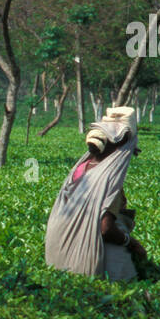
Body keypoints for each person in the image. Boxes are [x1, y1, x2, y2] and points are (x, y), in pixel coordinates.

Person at [45, 106, 146, 281]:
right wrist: (132, 243)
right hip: (83, 263)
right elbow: (106, 229)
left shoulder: (83, 166)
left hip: (56, 255)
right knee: (123, 262)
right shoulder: (108, 179)